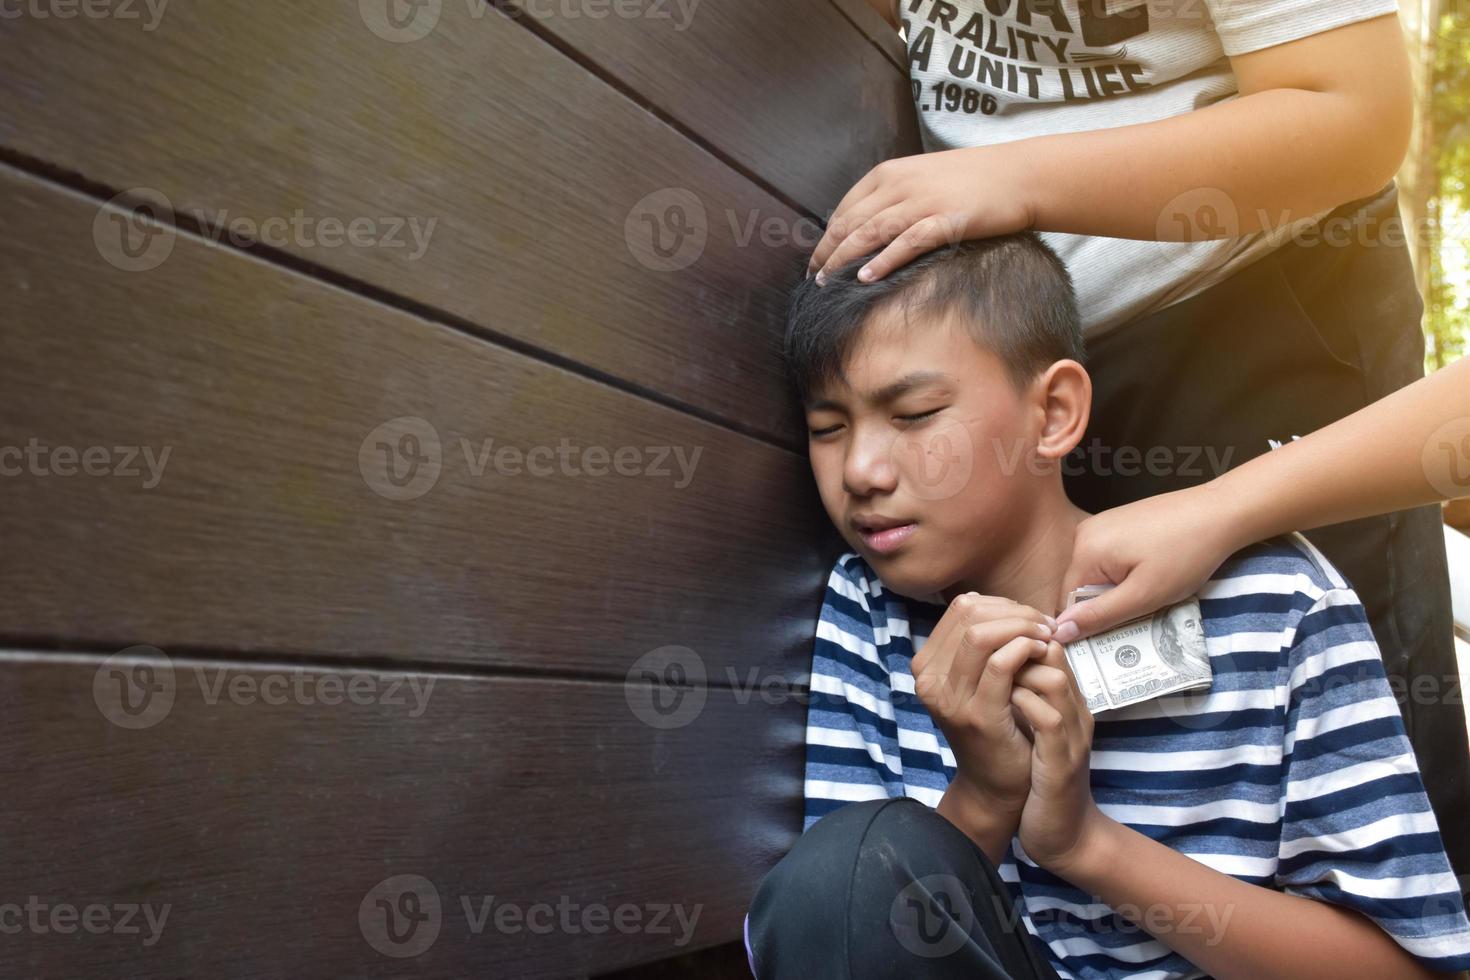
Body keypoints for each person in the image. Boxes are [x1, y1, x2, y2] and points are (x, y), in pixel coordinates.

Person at [805, 0, 1470, 879]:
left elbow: (1356, 111)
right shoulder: (865, 600)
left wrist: (1020, 180)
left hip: (1251, 318)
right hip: (1002, 365)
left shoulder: (1295, 602)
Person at [743, 236, 1470, 978]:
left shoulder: (1275, 602)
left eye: (915, 413)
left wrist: (1085, 844)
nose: (860, 470)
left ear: (1054, 412)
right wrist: (987, 797)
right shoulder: (867, 613)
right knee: (837, 870)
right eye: (828, 429)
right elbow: (843, 926)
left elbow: (1410, 969)